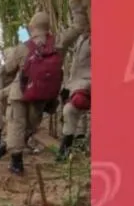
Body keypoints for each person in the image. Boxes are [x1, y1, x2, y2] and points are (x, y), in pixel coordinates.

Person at [0, 2, 88, 176]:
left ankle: (16, 164)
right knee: (28, 127)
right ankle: (4, 151)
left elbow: (10, 67)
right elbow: (79, 26)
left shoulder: (24, 45)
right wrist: (76, 5)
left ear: (32, 27)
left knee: (16, 125)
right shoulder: (58, 42)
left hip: (20, 92)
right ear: (48, 27)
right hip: (41, 95)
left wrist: (21, 44)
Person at [57, 27, 90, 160]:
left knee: (74, 109)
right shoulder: (81, 37)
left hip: (88, 86)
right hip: (77, 86)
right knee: (70, 110)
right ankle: (68, 149)